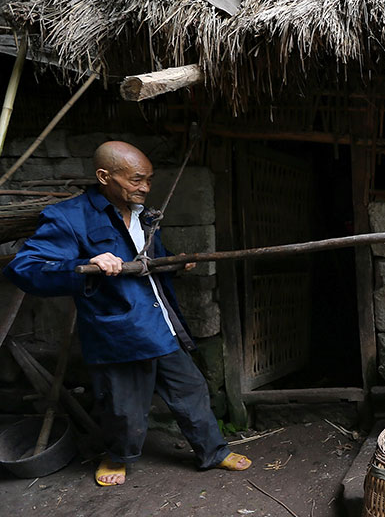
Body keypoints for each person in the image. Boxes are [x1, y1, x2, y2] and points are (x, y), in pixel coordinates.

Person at [4, 141, 250, 486]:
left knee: (191, 389)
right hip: (118, 331)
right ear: (105, 176)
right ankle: (117, 456)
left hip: (162, 323)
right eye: (136, 180)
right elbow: (24, 268)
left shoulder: (144, 216)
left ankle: (214, 451)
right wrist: (84, 264)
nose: (145, 188)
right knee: (122, 404)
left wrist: (174, 264)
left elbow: (148, 263)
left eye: (148, 180)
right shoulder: (69, 217)